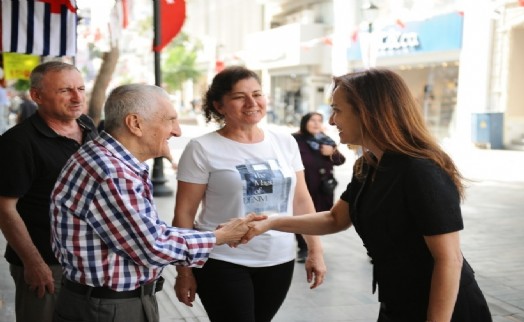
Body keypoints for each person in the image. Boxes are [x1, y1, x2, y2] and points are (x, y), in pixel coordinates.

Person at [244, 68, 493, 322]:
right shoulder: (368, 165)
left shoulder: (419, 169)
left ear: (368, 112)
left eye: (337, 110)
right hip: (396, 301)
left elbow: (449, 260)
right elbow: (334, 219)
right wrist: (272, 222)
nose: (331, 121)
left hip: (444, 309)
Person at [49, 83, 262, 322]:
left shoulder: (112, 161)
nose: (177, 131)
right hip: (108, 307)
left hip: (111, 302)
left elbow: (148, 233)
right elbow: (151, 246)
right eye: (170, 120)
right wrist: (219, 236)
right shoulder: (111, 171)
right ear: (135, 124)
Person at [172, 66, 327, 322]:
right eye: (239, 97)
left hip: (279, 259)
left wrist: (315, 251)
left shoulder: (285, 142)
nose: (252, 103)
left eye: (257, 94)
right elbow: (184, 214)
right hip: (221, 259)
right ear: (219, 105)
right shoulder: (202, 148)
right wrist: (184, 271)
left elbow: (301, 200)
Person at [0, 61, 98, 322]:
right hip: (46, 264)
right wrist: (33, 263)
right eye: (65, 90)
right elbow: (4, 208)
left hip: (89, 261)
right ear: (37, 96)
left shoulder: (88, 127)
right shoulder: (17, 143)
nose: (77, 97)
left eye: (80, 88)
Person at [292, 112, 346, 262]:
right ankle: (303, 248)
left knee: (319, 215)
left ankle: (314, 245)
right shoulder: (295, 140)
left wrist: (332, 152)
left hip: (323, 188)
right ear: (304, 122)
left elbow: (341, 160)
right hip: (304, 186)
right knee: (302, 216)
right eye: (312, 120)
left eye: (319, 120)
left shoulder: (326, 140)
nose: (316, 123)